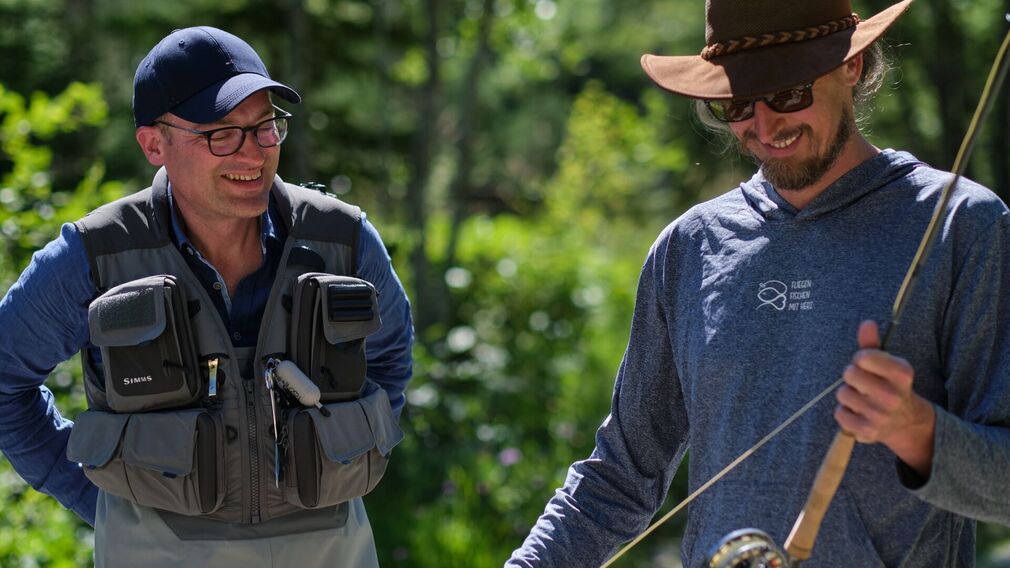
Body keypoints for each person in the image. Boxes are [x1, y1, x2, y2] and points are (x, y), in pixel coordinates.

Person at [509, 1, 1010, 566]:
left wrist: (918, 432)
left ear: (854, 65)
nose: (765, 127)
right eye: (738, 104)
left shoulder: (964, 227)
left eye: (789, 93)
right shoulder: (688, 247)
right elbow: (617, 481)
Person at [0, 27, 413, 567]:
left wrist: (346, 457)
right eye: (222, 133)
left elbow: (389, 365)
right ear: (154, 144)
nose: (254, 153)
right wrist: (98, 499)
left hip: (331, 549)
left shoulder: (345, 239)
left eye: (266, 127)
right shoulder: (93, 256)